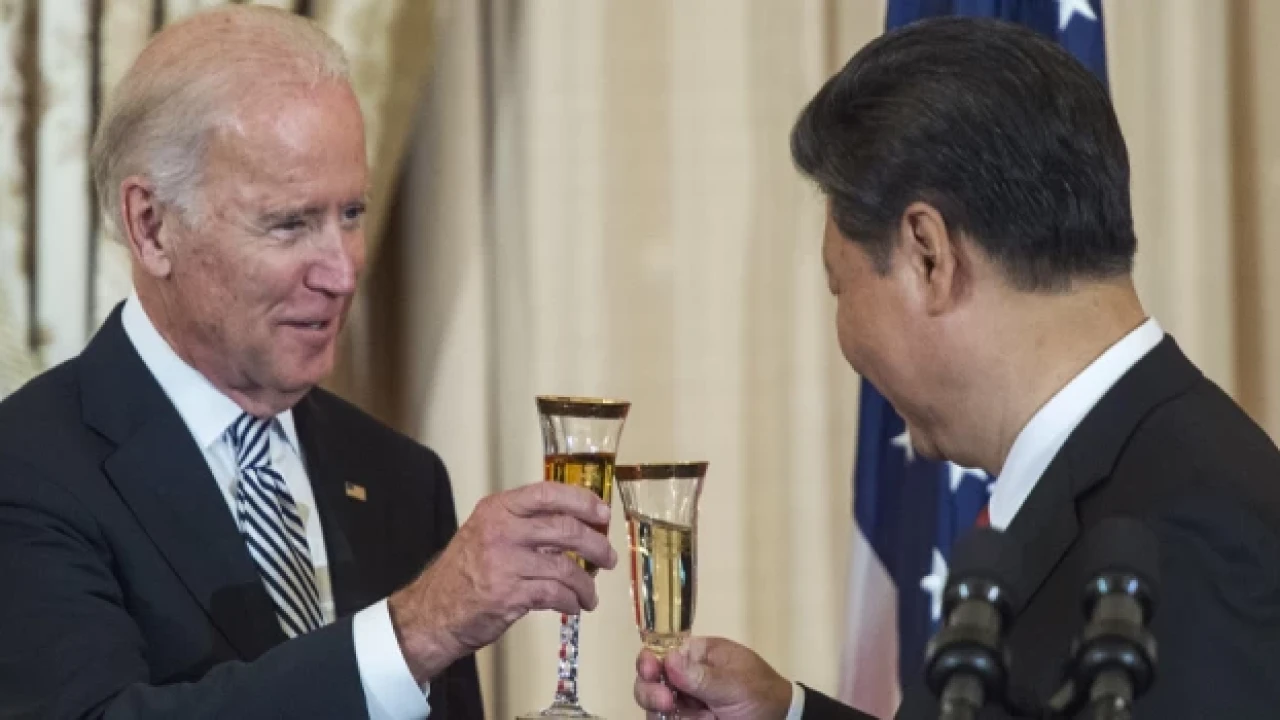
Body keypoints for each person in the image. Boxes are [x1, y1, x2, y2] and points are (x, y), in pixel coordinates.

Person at [634, 16, 1280, 720]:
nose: (843, 334)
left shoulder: (1199, 538)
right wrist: (788, 715)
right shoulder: (1138, 465)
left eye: (840, 287)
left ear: (928, 255)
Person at [0, 7, 616, 719]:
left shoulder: (402, 479)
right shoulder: (29, 468)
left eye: (351, 215)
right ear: (152, 226)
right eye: (290, 223)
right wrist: (412, 633)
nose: (342, 273)